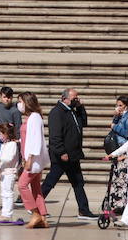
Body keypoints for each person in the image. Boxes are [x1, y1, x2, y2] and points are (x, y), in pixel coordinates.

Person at [40, 88, 95, 220]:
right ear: (65, 98)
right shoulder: (57, 112)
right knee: (50, 182)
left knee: (78, 183)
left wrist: (80, 107)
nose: (77, 100)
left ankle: (84, 210)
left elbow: (84, 122)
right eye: (74, 98)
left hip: (73, 155)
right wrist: (61, 152)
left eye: (77, 98)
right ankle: (35, 206)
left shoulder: (72, 111)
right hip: (62, 156)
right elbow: (55, 136)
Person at [17, 91, 50, 228]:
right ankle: (42, 216)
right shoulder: (31, 117)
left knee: (22, 185)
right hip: (30, 158)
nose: (18, 105)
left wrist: (30, 158)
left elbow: (36, 139)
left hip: (33, 160)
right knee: (36, 188)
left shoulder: (35, 117)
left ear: (27, 102)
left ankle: (35, 213)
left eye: (20, 102)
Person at [0, 122, 21, 224]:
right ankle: (4, 213)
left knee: (8, 193)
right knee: (4, 193)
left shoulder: (12, 144)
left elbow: (9, 158)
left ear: (7, 134)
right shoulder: (5, 145)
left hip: (10, 173)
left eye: (1, 134)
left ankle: (7, 214)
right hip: (4, 173)